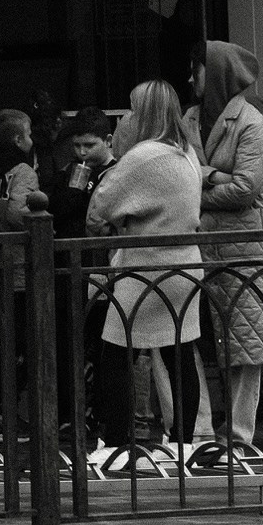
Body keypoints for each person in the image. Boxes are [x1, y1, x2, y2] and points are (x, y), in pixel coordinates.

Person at [85, 81, 204, 471]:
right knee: (179, 351)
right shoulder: (185, 151)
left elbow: (100, 207)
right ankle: (183, 442)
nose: (127, 118)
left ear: (146, 112)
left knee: (116, 352)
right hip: (185, 263)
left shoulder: (143, 156)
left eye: (133, 110)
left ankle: (120, 444)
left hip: (144, 265)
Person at [193, 40, 263, 470]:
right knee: (196, 335)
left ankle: (241, 433)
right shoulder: (189, 117)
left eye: (198, 70)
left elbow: (247, 187)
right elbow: (183, 173)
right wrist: (211, 176)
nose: (192, 79)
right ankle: (203, 429)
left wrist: (199, 185)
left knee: (246, 341)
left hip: (243, 246)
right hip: (200, 246)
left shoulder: (250, 121)